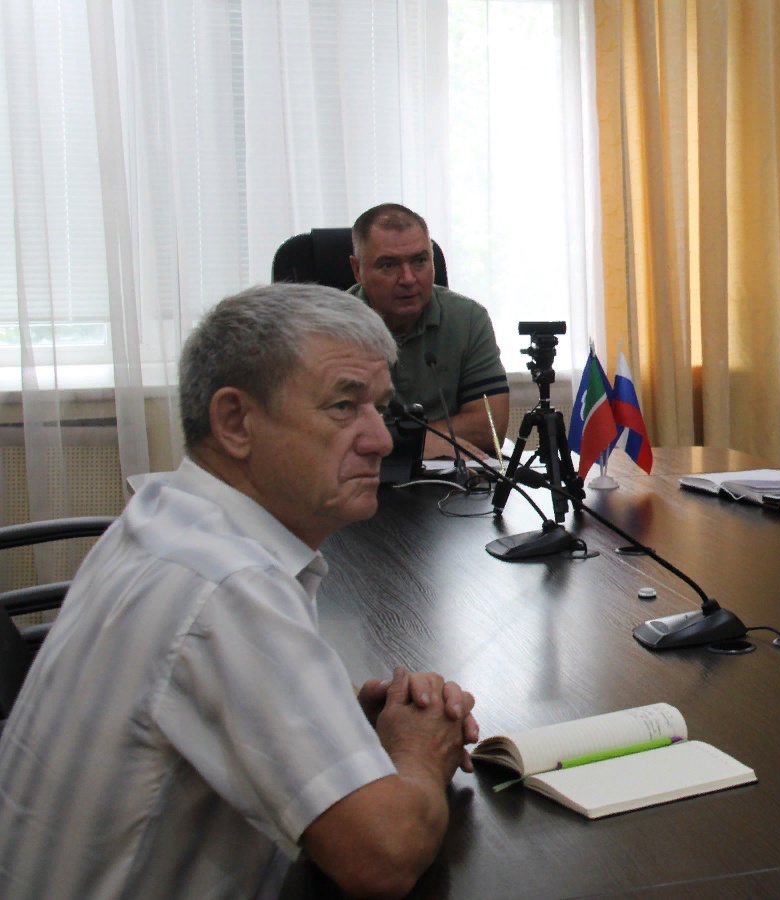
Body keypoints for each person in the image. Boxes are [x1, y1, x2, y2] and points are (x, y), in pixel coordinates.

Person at [0, 284, 479, 898]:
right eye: (343, 407)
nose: (381, 441)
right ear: (234, 422)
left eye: (379, 409)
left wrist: (342, 724)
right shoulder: (225, 585)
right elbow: (384, 857)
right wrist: (418, 750)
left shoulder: (165, 515)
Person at [348, 202, 510, 459]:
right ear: (358, 270)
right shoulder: (329, 328)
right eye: (388, 265)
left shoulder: (468, 319)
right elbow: (319, 433)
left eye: (420, 261)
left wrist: (417, 439)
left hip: (451, 472)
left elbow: (490, 427)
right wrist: (413, 443)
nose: (408, 278)